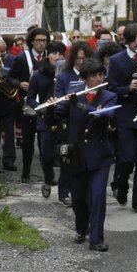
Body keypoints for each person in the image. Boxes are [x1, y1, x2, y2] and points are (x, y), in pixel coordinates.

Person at [58, 58, 117, 252]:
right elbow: (59, 114)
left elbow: (104, 115)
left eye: (101, 74)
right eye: (94, 75)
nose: (99, 79)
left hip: (100, 155)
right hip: (78, 155)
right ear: (84, 78)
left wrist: (80, 105)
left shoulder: (109, 96)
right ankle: (81, 229)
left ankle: (96, 239)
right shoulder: (73, 94)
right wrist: (50, 108)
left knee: (98, 196)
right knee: (78, 199)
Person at [106, 23, 137, 211]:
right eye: (134, 40)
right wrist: (128, 89)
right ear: (127, 41)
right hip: (125, 115)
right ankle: (121, 184)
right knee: (126, 158)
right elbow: (111, 88)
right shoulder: (117, 60)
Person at [53, 39, 94, 208]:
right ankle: (64, 192)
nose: (81, 61)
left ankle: (84, 191)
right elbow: (58, 98)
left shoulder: (93, 74)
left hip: (87, 118)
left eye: (84, 58)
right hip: (70, 120)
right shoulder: (64, 76)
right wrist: (69, 97)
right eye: (78, 58)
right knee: (68, 157)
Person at [6, 27, 50, 183]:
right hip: (27, 104)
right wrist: (19, 84)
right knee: (28, 141)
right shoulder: (22, 58)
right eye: (38, 40)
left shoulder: (50, 57)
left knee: (45, 141)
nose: (41, 44)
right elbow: (9, 77)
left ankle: (48, 174)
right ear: (32, 42)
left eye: (44, 41)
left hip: (46, 103)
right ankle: (26, 172)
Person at [25, 40, 66, 198]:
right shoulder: (38, 74)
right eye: (54, 53)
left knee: (64, 155)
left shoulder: (66, 73)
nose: (57, 57)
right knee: (47, 154)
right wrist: (41, 107)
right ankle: (48, 178)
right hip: (45, 118)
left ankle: (64, 190)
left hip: (63, 117)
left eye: (60, 54)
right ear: (47, 55)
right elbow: (30, 99)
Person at [0, 37, 19, 171]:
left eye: (3, 51)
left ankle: (9, 160)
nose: (0, 54)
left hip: (8, 101)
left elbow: (15, 77)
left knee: (9, 133)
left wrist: (6, 78)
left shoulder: (11, 59)